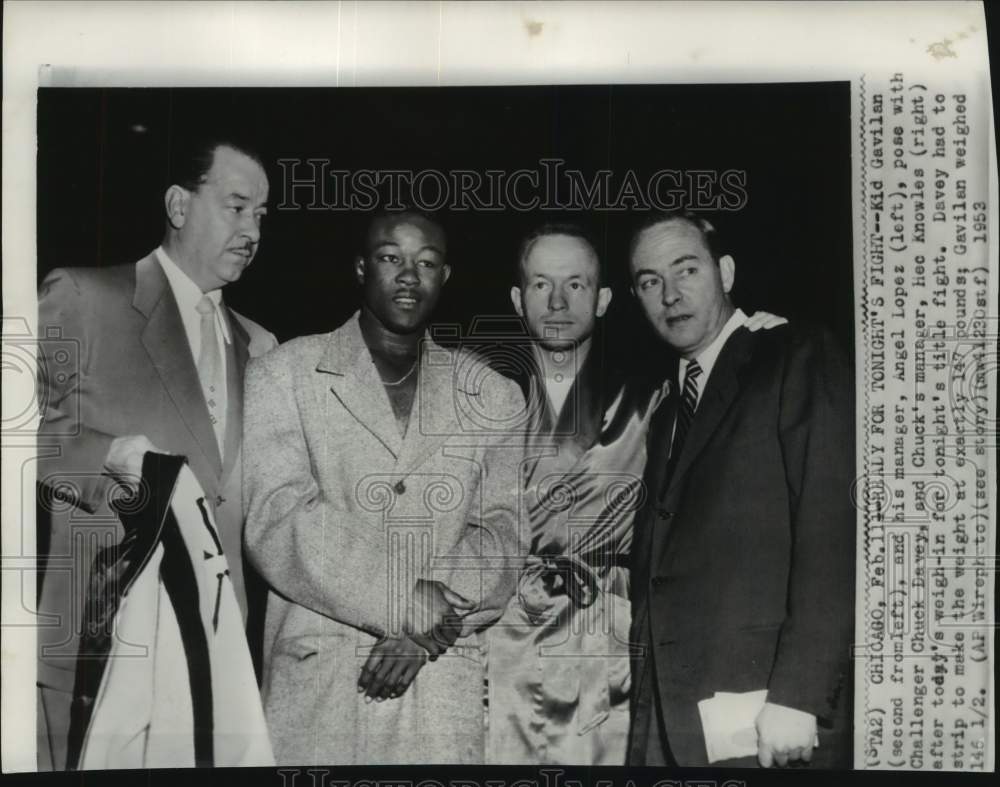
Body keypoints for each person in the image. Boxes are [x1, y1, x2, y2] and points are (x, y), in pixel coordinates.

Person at [486, 223, 786, 765]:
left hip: (610, 643)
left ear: (602, 299)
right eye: (540, 284)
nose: (557, 302)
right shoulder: (479, 399)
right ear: (516, 297)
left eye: (576, 285)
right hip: (505, 638)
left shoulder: (657, 394)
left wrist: (756, 339)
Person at [243, 209, 527, 764]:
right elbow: (278, 518)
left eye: (427, 262)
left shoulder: (493, 395)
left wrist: (425, 631)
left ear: (444, 277)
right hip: (320, 695)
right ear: (360, 267)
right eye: (390, 258)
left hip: (440, 695)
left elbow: (502, 535)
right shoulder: (284, 373)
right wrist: (402, 598)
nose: (408, 276)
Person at [35, 136, 277, 770]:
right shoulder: (82, 299)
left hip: (215, 675)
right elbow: (18, 437)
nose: (252, 230)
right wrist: (110, 455)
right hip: (98, 655)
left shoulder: (263, 346)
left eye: (262, 216)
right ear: (177, 203)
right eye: (237, 207)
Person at [626, 212, 854, 768]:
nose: (670, 295)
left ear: (725, 272)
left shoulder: (794, 354)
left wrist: (799, 696)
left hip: (763, 716)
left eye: (687, 270)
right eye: (650, 281)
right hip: (667, 716)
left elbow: (834, 529)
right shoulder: (665, 409)